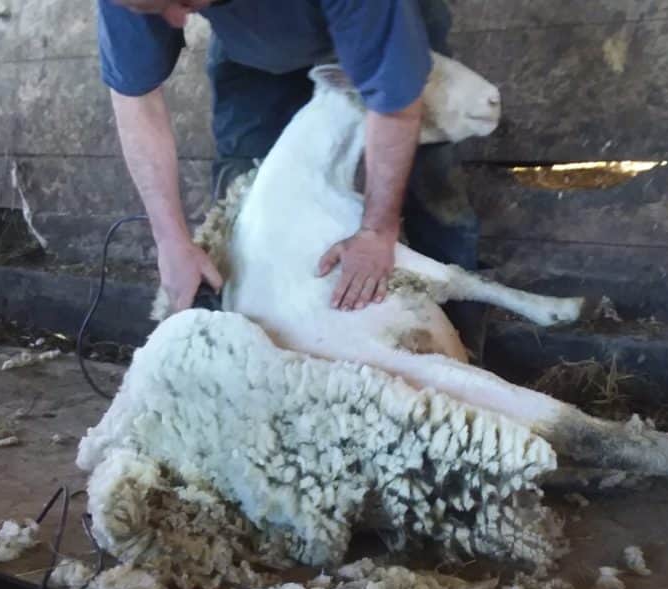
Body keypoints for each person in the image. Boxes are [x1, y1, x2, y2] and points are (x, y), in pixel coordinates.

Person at [98, 0, 484, 351]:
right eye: (153, 8)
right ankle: (276, 373)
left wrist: (376, 230)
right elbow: (136, 98)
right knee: (242, 197)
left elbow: (395, 103)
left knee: (428, 189)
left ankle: (461, 358)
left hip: (378, 24)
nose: (178, 20)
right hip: (256, 53)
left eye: (182, 1)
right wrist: (171, 241)